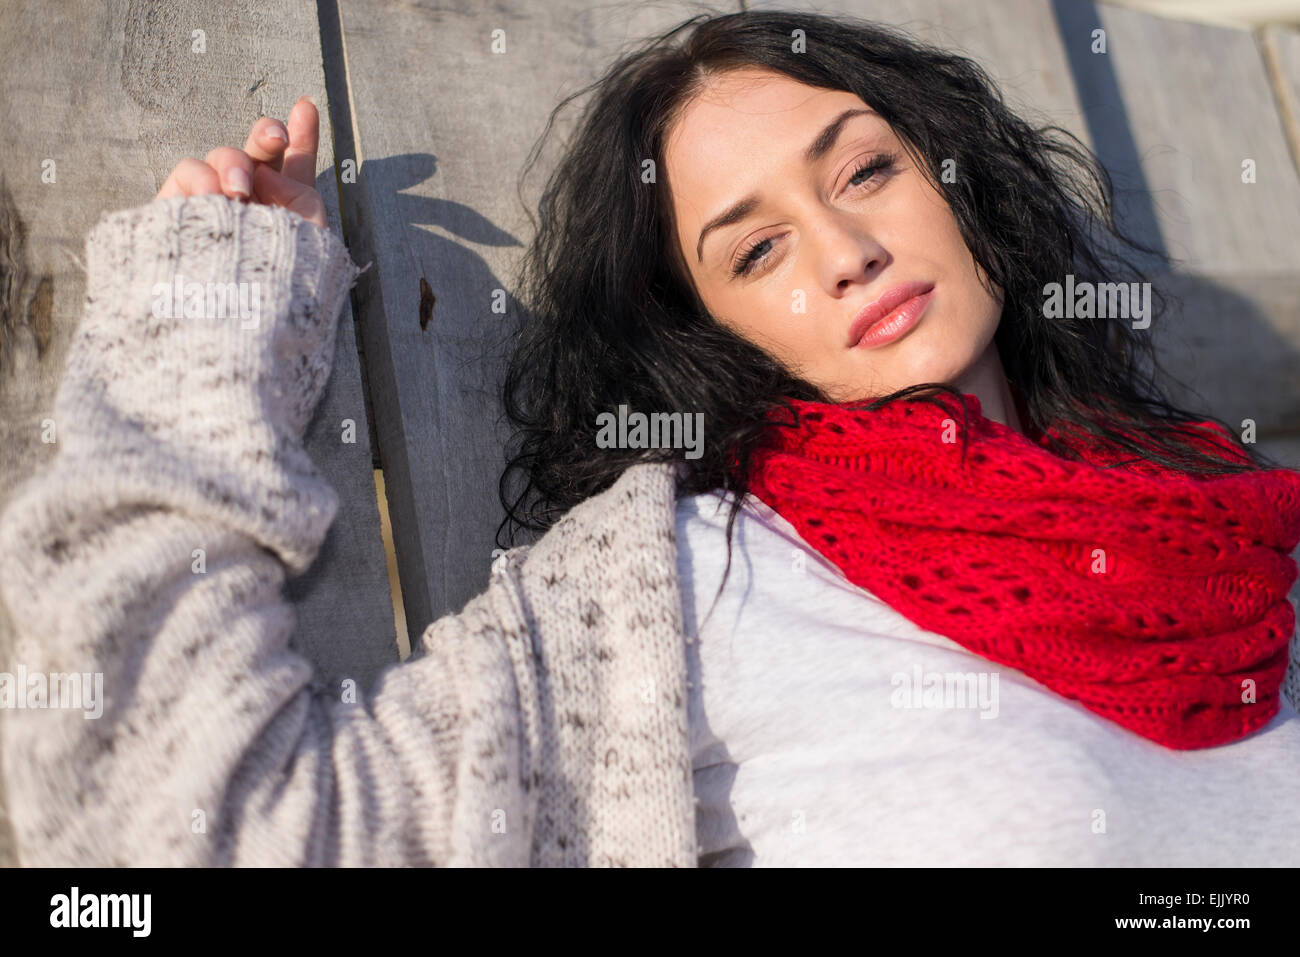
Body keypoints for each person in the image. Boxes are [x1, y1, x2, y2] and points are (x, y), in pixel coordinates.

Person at [1, 10, 1297, 868]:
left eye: (863, 172)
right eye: (758, 247)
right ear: (708, 329)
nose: (847, 252)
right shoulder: (684, 586)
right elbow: (176, 816)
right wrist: (203, 331)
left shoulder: (1235, 532)